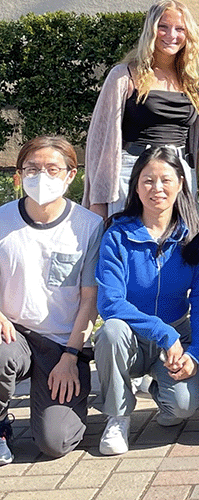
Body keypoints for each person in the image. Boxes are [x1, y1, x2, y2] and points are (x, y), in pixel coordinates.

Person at [94, 146, 199, 455]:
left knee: (181, 410)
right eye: (148, 180)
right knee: (111, 332)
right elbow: (110, 303)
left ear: (180, 184)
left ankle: (158, 386)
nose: (157, 188)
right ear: (135, 185)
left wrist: (196, 353)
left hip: (176, 338)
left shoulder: (198, 238)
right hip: (131, 338)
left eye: (165, 179)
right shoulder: (117, 234)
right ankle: (117, 418)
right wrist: (163, 333)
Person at [0, 137, 103, 463]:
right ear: (18, 175)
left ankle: (58, 408)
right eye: (32, 168)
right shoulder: (1, 221)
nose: (41, 176)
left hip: (62, 345)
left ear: (71, 175)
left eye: (52, 169)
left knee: (55, 443)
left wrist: (71, 357)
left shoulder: (88, 226)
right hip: (12, 334)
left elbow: (89, 300)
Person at [84, 0, 199, 219]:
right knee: (130, 243)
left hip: (178, 173)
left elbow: (194, 143)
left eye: (180, 29)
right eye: (163, 27)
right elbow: (100, 141)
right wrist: (98, 200)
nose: (171, 34)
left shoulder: (192, 81)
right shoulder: (124, 76)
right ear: (150, 30)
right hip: (133, 172)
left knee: (179, 245)